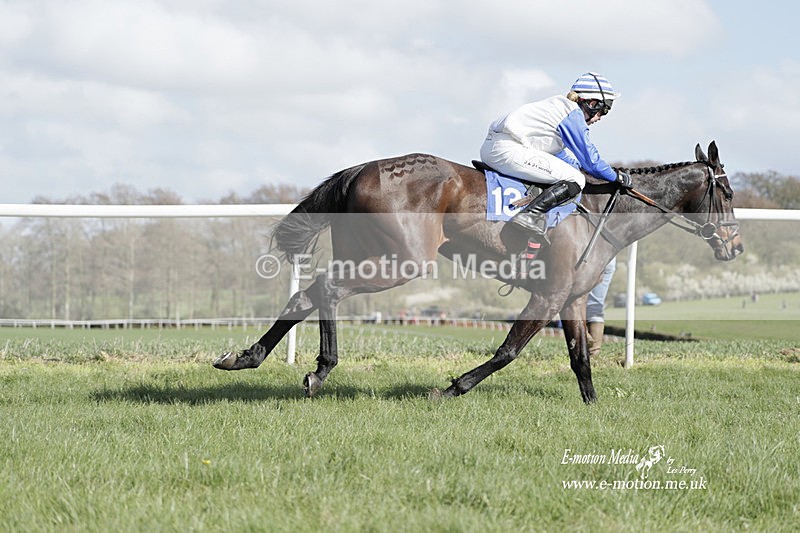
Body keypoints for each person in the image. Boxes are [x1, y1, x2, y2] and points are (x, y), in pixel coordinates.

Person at [480, 72, 632, 241]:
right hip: (506, 149)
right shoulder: (572, 115)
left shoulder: (561, 108)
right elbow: (591, 161)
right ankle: (529, 215)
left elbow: (558, 154)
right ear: (592, 103)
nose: (600, 118)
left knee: (572, 172)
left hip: (496, 146)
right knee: (576, 179)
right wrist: (616, 176)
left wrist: (579, 166)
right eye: (603, 111)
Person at [586, 257, 616, 357]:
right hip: (609, 259)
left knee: (569, 299)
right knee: (595, 305)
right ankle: (594, 352)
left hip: (587, 257)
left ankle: (582, 334)